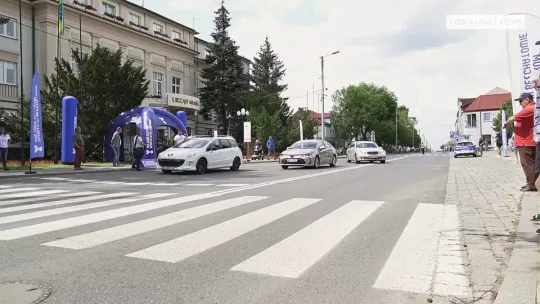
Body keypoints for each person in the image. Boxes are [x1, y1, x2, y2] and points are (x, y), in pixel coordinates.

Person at [504, 92, 537, 191]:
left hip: (526, 143)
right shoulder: (533, 108)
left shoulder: (529, 108)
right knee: (531, 163)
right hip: (528, 141)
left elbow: (512, 118)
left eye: (520, 101)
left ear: (527, 100)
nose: (520, 104)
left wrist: (506, 124)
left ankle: (531, 184)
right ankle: (532, 182)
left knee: (527, 164)